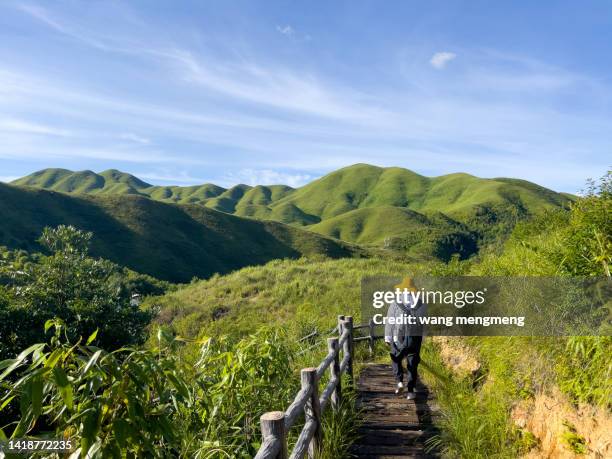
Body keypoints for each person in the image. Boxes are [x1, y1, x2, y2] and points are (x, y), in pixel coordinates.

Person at [384, 276, 426, 400]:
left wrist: (388, 337)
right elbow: (424, 322)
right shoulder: (421, 303)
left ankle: (399, 382)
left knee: (396, 357)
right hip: (415, 336)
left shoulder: (396, 302)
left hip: (399, 336)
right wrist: (423, 337)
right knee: (412, 363)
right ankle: (411, 391)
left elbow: (390, 321)